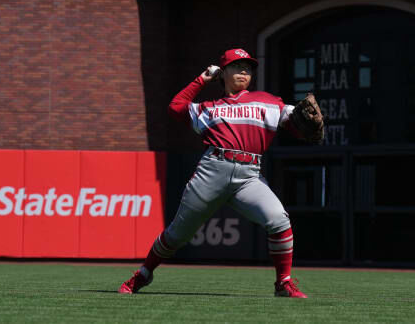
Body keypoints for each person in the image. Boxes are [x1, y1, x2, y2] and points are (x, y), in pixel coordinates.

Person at [119, 48, 308, 298]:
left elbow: (297, 124)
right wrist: (202, 79)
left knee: (279, 220)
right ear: (222, 73)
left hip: (249, 176)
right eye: (237, 66)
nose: (244, 70)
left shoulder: (268, 101)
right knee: (177, 234)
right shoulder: (208, 109)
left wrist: (305, 124)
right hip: (212, 171)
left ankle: (283, 282)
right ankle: (143, 274)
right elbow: (176, 108)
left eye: (248, 67)